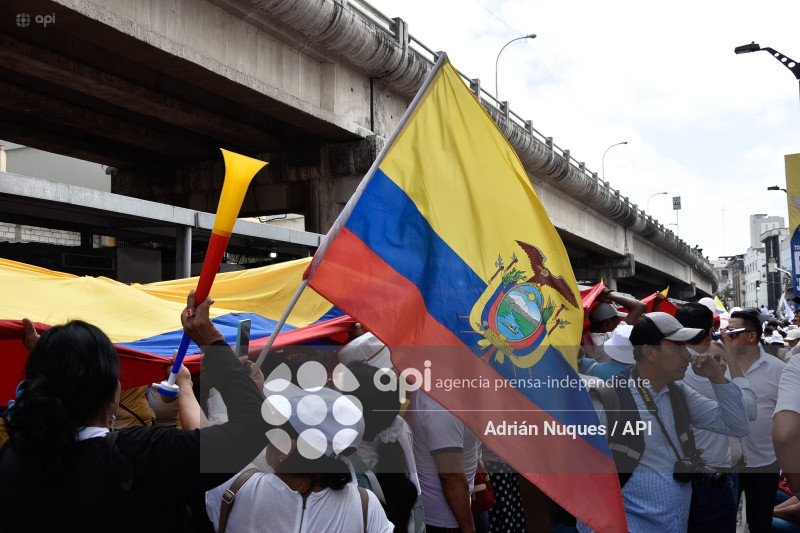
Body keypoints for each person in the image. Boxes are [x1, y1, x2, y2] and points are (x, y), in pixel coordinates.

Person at [0, 292, 269, 533]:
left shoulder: (13, 458)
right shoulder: (140, 456)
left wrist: (49, 369)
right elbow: (254, 426)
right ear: (112, 392)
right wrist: (211, 342)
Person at [578, 312, 751, 533]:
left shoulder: (678, 393)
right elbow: (584, 487)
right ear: (649, 352)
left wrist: (717, 378)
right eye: (677, 347)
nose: (687, 355)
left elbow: (737, 426)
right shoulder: (610, 400)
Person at [205, 381, 393, 532]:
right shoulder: (365, 506)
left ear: (290, 447)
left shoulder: (239, 489)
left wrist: (193, 386)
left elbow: (206, 447)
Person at [674, 303, 757, 533]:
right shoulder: (704, 369)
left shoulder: (671, 365)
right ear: (710, 333)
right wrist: (730, 357)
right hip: (710, 473)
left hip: (679, 473)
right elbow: (748, 411)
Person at [725, 308, 786, 533]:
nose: (726, 336)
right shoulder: (719, 366)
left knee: (760, 522)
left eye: (733, 332)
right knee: (723, 521)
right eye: (725, 331)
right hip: (725, 460)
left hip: (765, 460)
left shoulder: (778, 370)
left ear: (751, 336)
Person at [407, 390, 481, 533]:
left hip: (454, 507)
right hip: (445, 517)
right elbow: (450, 477)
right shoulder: (441, 405)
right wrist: (469, 529)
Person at [582, 288, 647, 361]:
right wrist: (609, 296)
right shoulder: (613, 337)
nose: (619, 322)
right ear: (609, 322)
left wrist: (595, 298)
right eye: (617, 320)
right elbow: (640, 306)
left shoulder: (583, 338)